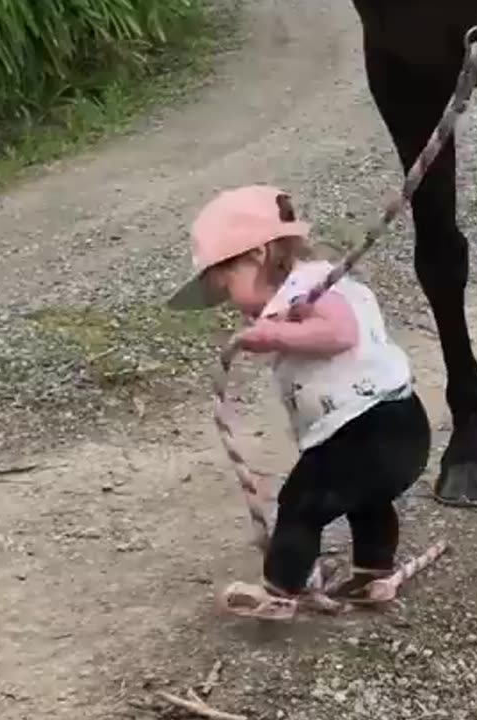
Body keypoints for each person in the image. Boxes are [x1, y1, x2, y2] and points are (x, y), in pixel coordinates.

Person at [168, 184, 431, 614]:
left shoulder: (307, 286)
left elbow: (339, 333)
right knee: (366, 500)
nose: (231, 302)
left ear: (257, 254)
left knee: (300, 505)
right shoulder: (306, 287)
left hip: (367, 425)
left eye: (227, 285)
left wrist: (273, 333)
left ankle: (279, 589)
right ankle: (372, 573)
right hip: (397, 424)